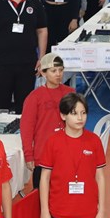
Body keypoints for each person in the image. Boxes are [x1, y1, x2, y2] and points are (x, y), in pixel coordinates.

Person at [20, 53, 74, 194]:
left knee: (66, 193)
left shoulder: (70, 94)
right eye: (53, 71)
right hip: (43, 155)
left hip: (67, 154)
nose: (58, 74)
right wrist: (29, 155)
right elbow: (26, 128)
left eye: (61, 70)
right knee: (41, 194)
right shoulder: (34, 98)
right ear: (43, 73)